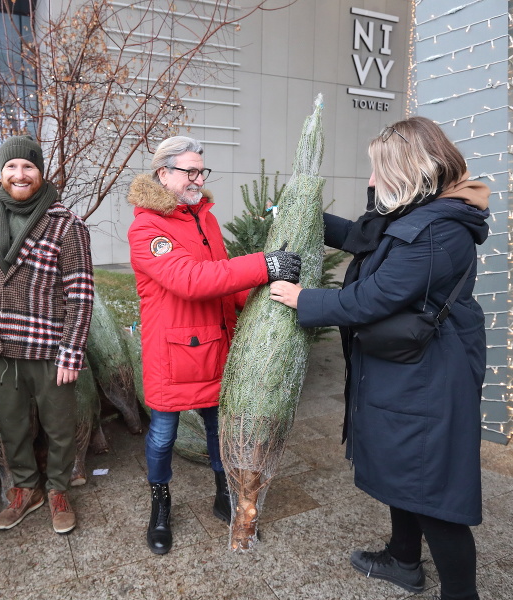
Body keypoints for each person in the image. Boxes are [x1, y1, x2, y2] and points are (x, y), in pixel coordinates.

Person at [269, 117, 490, 600]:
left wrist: (302, 298)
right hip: (406, 369)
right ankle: (403, 560)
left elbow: (369, 299)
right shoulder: (418, 213)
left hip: (429, 378)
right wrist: (302, 212)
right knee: (404, 472)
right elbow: (364, 239)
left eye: (377, 172)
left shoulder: (438, 230)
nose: (370, 182)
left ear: (411, 172)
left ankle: (461, 593)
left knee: (433, 492)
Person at [127, 135, 301, 555]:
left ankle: (224, 493)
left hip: (213, 346)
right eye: (189, 171)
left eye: (201, 171)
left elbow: (220, 277)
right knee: (163, 436)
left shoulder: (204, 218)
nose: (197, 179)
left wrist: (260, 299)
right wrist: (264, 264)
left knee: (216, 430)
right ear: (163, 174)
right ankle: (160, 506)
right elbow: (190, 280)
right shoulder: (147, 226)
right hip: (172, 353)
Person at [0, 135, 94, 535]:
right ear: (1, 173)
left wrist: (71, 352)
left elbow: (81, 294)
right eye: (11, 167)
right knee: (11, 427)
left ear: (40, 172)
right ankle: (26, 490)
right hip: (2, 345)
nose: (20, 174)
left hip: (49, 348)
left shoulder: (65, 224)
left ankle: (59, 489)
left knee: (59, 428)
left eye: (28, 167)